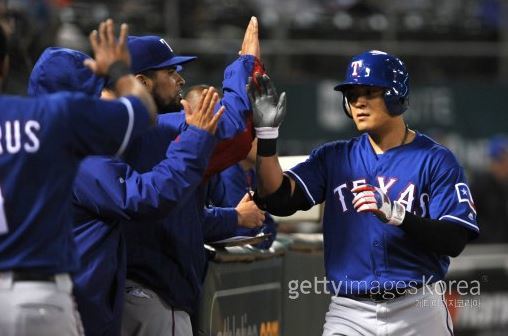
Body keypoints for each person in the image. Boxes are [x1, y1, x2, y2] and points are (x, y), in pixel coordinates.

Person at [249, 50, 479, 335]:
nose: (358, 101)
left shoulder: (435, 159)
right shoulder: (334, 157)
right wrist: (267, 137)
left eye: (369, 92)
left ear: (396, 95)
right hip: (350, 312)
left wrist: (397, 215)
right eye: (352, 94)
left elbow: (454, 239)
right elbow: (278, 197)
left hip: (418, 308)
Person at [27, 47, 224, 336]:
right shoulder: (73, 151)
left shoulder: (24, 144)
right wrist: (194, 141)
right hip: (67, 302)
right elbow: (145, 197)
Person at [0, 19, 157, 335]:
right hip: (37, 294)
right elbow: (143, 112)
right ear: (4, 64)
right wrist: (119, 72)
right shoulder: (53, 115)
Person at [120, 17, 263, 336]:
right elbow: (235, 131)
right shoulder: (158, 130)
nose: (180, 79)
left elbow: (182, 218)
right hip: (152, 297)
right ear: (142, 82)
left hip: (116, 294)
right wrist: (246, 65)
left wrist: (234, 217)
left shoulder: (104, 133)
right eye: (170, 72)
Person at [470, 135, 508, 243]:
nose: (504, 165)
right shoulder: (479, 186)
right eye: (500, 161)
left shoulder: (504, 186)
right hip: (481, 251)